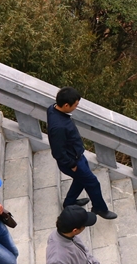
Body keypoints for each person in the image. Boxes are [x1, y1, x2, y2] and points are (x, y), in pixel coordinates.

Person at [47, 87, 117, 220]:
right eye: (75, 105)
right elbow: (57, 151)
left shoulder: (52, 109)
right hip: (72, 161)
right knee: (93, 183)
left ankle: (69, 203)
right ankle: (100, 208)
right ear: (66, 105)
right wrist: (71, 164)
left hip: (76, 155)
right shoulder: (59, 127)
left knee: (81, 180)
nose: (76, 107)